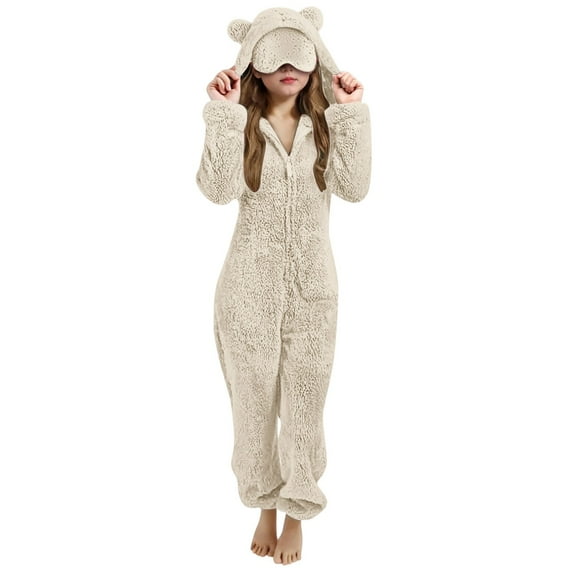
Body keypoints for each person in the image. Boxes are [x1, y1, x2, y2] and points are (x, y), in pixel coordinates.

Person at [196, 6, 371, 565]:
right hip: (246, 289)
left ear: (317, 57)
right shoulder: (243, 124)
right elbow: (216, 189)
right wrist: (223, 115)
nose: (288, 68)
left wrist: (350, 113)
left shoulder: (326, 126)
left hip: (314, 291)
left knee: (304, 407)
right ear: (254, 62)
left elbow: (355, 188)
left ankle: (296, 511)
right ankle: (264, 505)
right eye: (274, 59)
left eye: (299, 55)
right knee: (252, 408)